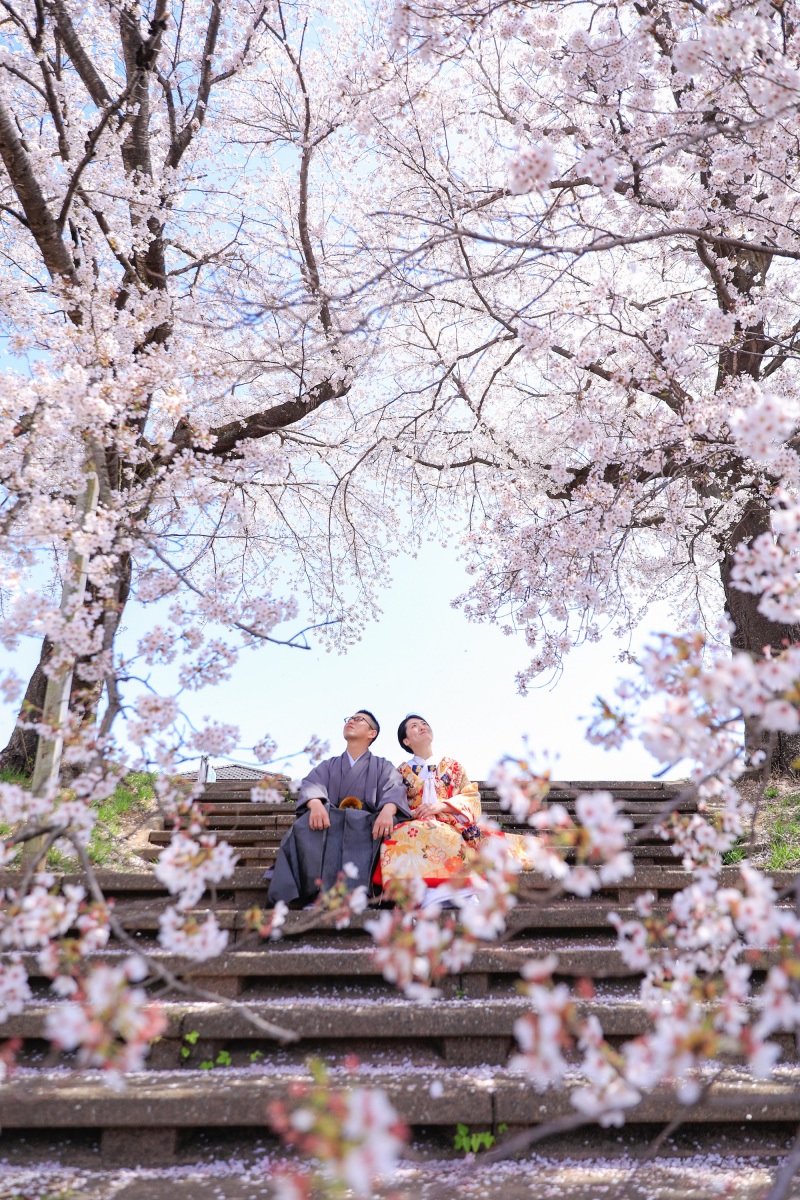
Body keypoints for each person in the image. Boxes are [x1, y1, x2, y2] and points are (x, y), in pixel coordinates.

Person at [268, 710, 410, 906]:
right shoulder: (329, 765)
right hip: (329, 821)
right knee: (304, 825)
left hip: (369, 823)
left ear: (372, 733)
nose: (351, 721)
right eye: (349, 719)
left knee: (390, 828)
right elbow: (312, 784)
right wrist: (316, 803)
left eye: (358, 719)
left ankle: (364, 897)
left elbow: (394, 788)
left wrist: (388, 810)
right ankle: (314, 895)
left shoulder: (382, 766)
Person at [379, 713, 534, 892]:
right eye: (414, 725)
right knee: (400, 837)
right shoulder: (400, 772)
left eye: (424, 723)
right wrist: (411, 813)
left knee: (448, 836)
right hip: (414, 823)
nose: (422, 726)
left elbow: (471, 797)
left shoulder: (453, 766)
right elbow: (394, 800)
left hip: (449, 822)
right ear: (406, 741)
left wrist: (442, 806)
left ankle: (456, 888)